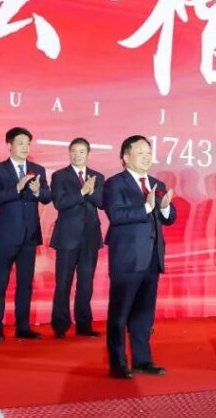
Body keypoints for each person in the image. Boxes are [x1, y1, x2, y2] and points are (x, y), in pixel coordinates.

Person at [103, 135, 176, 379]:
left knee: (144, 314)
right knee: (120, 314)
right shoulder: (115, 183)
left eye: (149, 153)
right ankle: (118, 364)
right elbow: (116, 215)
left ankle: (143, 360)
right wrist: (146, 206)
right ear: (126, 157)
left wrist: (165, 206)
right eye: (141, 153)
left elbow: (169, 217)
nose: (147, 157)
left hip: (152, 258)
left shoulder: (156, 183)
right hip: (126, 258)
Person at [0, 127, 52, 341]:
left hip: (29, 235)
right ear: (9, 145)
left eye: (28, 143)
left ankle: (22, 326)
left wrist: (37, 190)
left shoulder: (38, 169)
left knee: (25, 283)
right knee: (0, 282)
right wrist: (17, 187)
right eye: (21, 143)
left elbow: (47, 197)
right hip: (7, 235)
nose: (25, 147)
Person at [49, 137, 104, 338]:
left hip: (90, 236)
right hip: (67, 237)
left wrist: (90, 191)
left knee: (86, 283)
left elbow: (101, 202)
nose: (77, 155)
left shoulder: (98, 176)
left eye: (81, 151)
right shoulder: (59, 176)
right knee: (63, 282)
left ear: (88, 154)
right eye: (73, 151)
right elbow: (59, 203)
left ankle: (84, 325)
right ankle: (60, 325)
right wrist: (82, 191)